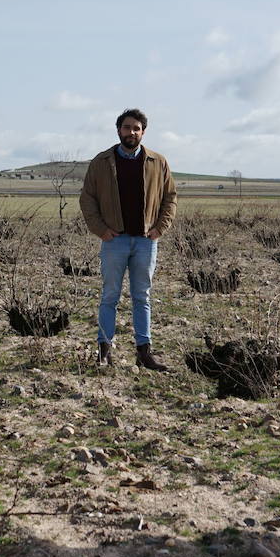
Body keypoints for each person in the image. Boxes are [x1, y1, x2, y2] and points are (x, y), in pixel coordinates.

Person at [79, 108, 177, 371]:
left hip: (146, 241)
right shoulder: (101, 162)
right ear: (118, 130)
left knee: (142, 296)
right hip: (114, 241)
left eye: (136, 128)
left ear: (143, 132)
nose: (131, 132)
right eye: (126, 127)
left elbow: (170, 198)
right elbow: (87, 198)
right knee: (110, 295)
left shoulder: (158, 162)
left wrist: (159, 228)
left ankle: (144, 353)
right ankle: (104, 351)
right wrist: (100, 229)